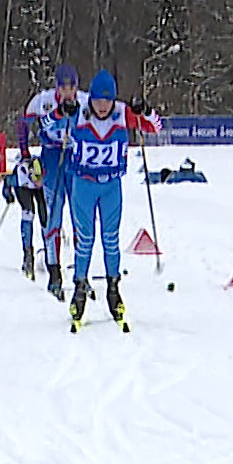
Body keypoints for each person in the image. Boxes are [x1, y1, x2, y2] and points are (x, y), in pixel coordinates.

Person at [65, 69, 161, 327]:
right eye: (98, 100)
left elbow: (155, 127)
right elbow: (51, 124)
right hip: (84, 185)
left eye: (107, 101)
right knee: (85, 240)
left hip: (111, 187)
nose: (102, 106)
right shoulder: (79, 112)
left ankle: (113, 289)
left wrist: (145, 110)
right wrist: (62, 111)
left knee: (111, 239)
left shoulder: (122, 113)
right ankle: (79, 289)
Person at [20, 64, 82, 300]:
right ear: (56, 87)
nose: (68, 92)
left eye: (71, 87)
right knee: (52, 216)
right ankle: (54, 272)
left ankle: (81, 274)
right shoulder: (43, 100)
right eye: (63, 87)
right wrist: (25, 154)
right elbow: (23, 123)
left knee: (80, 219)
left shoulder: (85, 100)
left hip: (75, 159)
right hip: (51, 158)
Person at [0, 150, 46, 280]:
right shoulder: (21, 175)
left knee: (45, 217)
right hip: (23, 187)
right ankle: (28, 257)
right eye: (36, 180)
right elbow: (7, 182)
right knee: (28, 213)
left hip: (39, 180)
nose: (38, 183)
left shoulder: (43, 172)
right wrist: (8, 195)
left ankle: (49, 253)